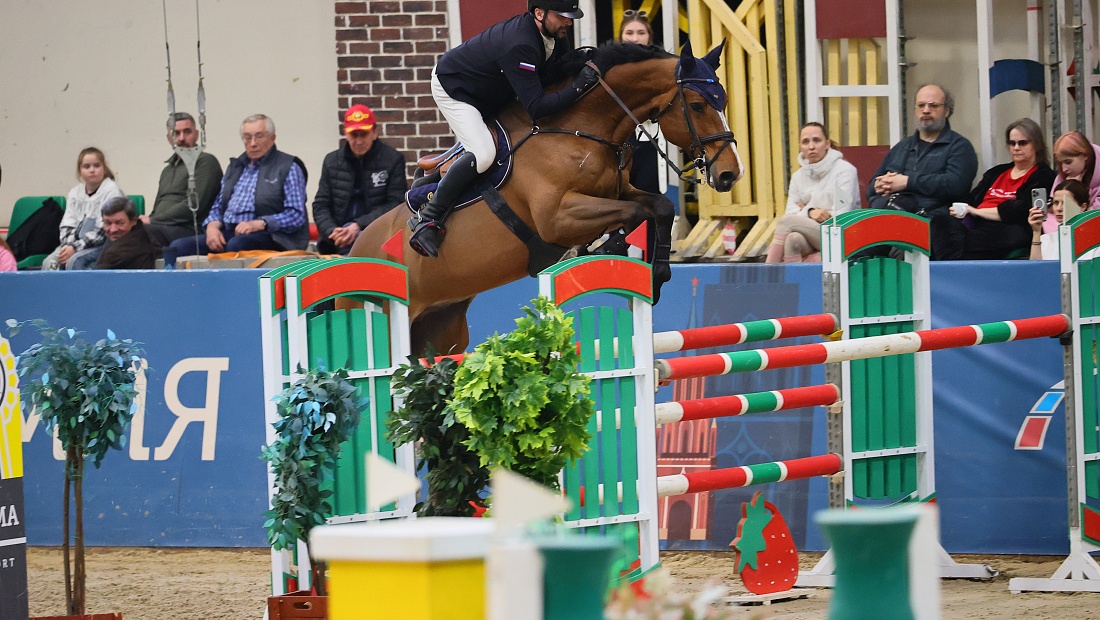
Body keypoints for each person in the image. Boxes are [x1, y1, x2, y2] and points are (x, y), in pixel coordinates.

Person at [409, 0, 601, 257]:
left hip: (489, 87)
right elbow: (538, 107)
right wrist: (580, 87)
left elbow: (553, 75)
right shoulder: (521, 44)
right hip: (455, 89)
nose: (569, 21)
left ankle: (434, 180)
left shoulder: (554, 34)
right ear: (539, 13)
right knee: (484, 153)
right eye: (562, 16)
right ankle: (428, 221)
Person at [166, 114, 308, 261]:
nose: (253, 143)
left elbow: (296, 215)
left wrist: (259, 224)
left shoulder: (288, 166)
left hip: (273, 236)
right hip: (230, 232)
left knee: (236, 245)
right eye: (247, 137)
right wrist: (212, 228)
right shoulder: (235, 167)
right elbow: (218, 207)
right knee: (179, 247)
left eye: (259, 136)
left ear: (272, 138)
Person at [929, 118, 1055, 260]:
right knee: (941, 222)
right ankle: (953, 266)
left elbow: (1020, 209)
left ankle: (949, 270)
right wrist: (962, 208)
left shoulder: (1043, 175)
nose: (1016, 148)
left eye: (1022, 143)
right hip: (976, 224)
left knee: (961, 242)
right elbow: (971, 198)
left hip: (1009, 228)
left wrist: (977, 212)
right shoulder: (996, 172)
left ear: (1036, 145)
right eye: (1012, 143)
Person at [867, 84, 978, 218]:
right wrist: (880, 185)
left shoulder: (959, 147)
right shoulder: (902, 146)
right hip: (890, 217)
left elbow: (955, 184)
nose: (926, 110)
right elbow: (872, 187)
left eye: (933, 105)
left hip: (935, 223)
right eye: (921, 105)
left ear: (947, 111)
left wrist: (907, 182)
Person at [312, 104, 407, 255]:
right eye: (354, 135)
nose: (359, 141)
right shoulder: (331, 161)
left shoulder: (393, 160)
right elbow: (321, 205)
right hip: (336, 240)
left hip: (376, 236)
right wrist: (332, 231)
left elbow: (396, 204)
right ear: (346, 134)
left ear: (375, 133)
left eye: (363, 134)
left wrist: (358, 225)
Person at [765, 122, 860, 263]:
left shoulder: (845, 171)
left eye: (817, 140)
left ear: (827, 144)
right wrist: (811, 212)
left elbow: (841, 215)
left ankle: (767, 276)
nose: (811, 146)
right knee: (793, 239)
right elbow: (791, 211)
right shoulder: (797, 177)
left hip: (842, 235)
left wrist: (803, 209)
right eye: (805, 142)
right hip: (814, 235)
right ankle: (795, 283)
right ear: (800, 147)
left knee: (785, 222)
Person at [143, 112, 224, 247]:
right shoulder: (167, 170)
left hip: (189, 228)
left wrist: (152, 220)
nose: (181, 138)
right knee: (124, 230)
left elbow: (194, 205)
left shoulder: (206, 162)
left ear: (196, 135)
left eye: (187, 132)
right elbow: (157, 207)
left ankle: (102, 266)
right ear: (169, 138)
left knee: (141, 231)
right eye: (176, 133)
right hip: (161, 227)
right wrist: (147, 219)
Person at [42, 147, 125, 270]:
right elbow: (67, 225)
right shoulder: (75, 193)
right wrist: (69, 246)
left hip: (102, 245)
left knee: (74, 262)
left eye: (97, 166)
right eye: (87, 167)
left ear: (104, 168)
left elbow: (103, 231)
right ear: (80, 171)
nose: (92, 170)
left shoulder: (111, 191)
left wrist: (75, 248)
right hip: (73, 245)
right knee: (49, 263)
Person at [618, 9, 660, 194]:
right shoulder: (610, 68)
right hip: (618, 142)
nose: (635, 38)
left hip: (653, 141)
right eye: (629, 33)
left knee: (648, 197)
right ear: (621, 37)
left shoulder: (661, 67)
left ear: (649, 37)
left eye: (641, 33)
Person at [1045, 131, 1100, 233]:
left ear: (1085, 155)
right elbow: (1052, 213)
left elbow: (1094, 218)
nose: (1064, 169)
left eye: (1068, 162)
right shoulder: (1063, 177)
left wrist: (1075, 190)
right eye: (1060, 163)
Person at [1029, 179, 1089, 260]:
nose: (1059, 208)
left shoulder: (1094, 241)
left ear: (1082, 207)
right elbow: (1034, 270)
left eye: (1065, 203)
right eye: (1056, 203)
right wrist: (1036, 232)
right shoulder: (1045, 240)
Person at [93, 197, 158, 269]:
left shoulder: (119, 253)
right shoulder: (120, 237)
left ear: (133, 221)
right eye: (108, 223)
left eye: (120, 223)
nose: (113, 230)